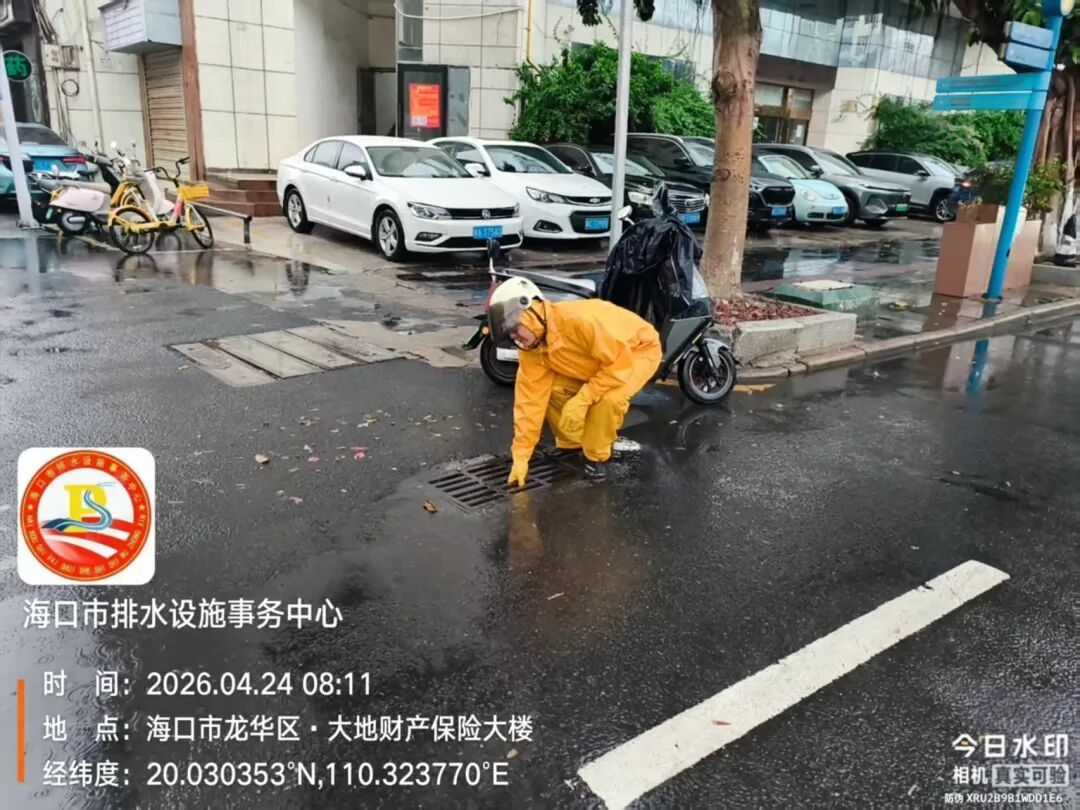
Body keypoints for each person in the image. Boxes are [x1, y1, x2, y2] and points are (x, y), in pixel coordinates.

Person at [487, 277, 662, 484]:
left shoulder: (579, 322)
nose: (516, 337)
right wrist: (521, 455)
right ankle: (575, 442)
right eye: (510, 335)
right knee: (552, 390)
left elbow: (617, 365)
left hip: (636, 351)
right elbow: (529, 401)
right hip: (599, 361)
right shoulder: (533, 348)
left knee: (608, 399)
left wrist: (583, 398)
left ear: (532, 311)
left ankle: (596, 456)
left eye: (515, 328)